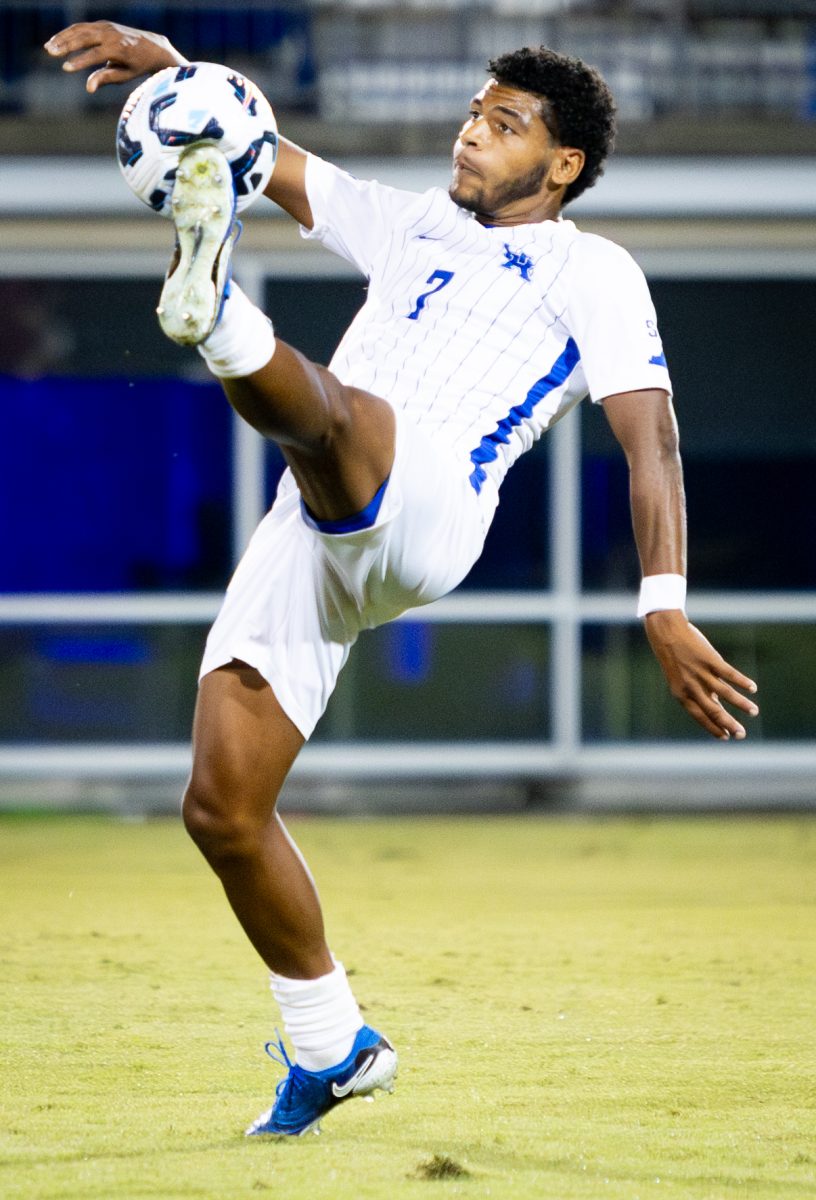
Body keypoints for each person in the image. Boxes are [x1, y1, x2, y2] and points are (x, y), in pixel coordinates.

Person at [45, 20, 759, 1138]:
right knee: (222, 810)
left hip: (432, 503)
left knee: (333, 414)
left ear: (563, 165)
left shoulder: (595, 270)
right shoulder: (414, 222)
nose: (473, 132)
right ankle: (334, 1047)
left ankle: (219, 313)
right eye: (475, 113)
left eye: (505, 123)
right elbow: (259, 152)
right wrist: (176, 67)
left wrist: (660, 603)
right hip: (313, 530)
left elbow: (652, 440)